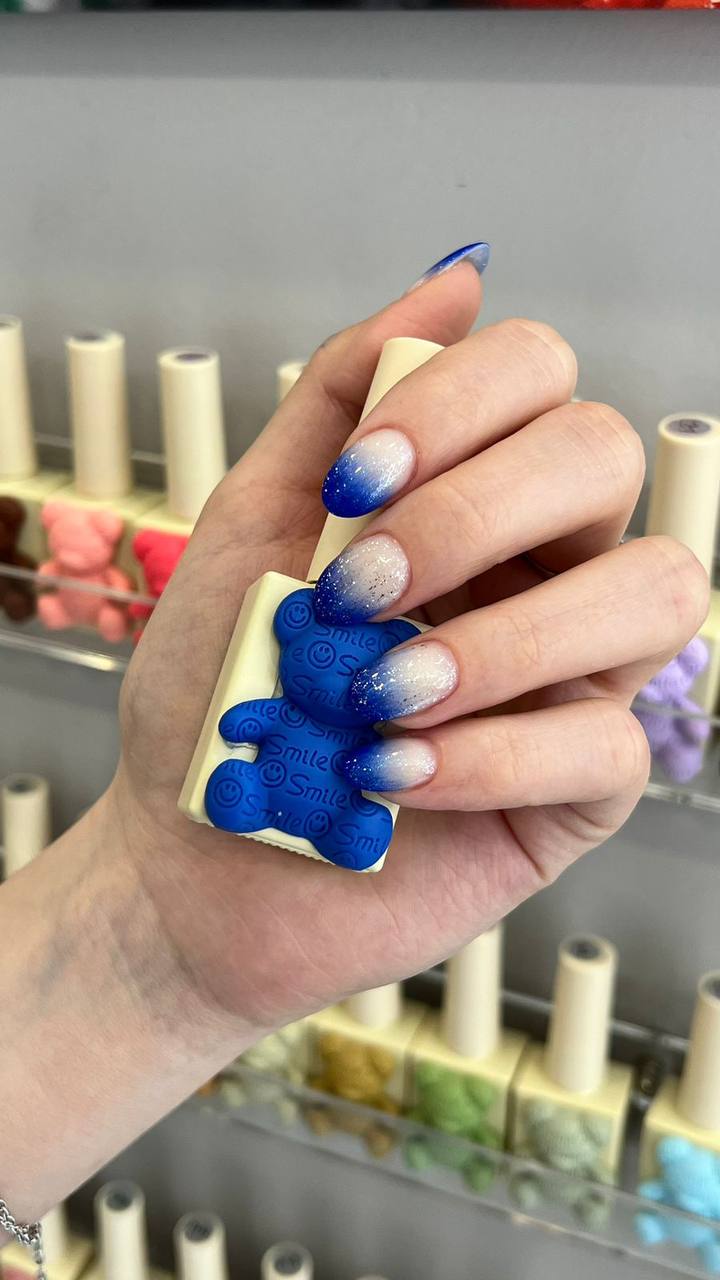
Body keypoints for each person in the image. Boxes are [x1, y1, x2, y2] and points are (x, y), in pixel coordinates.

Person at [0, 246, 707, 1235]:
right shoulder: (284, 622)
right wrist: (147, 911)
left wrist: (154, 946)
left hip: (333, 803)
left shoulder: (384, 675)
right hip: (266, 789)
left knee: (349, 807)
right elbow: (247, 718)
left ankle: (333, 826)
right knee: (259, 784)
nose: (337, 663)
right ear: (296, 625)